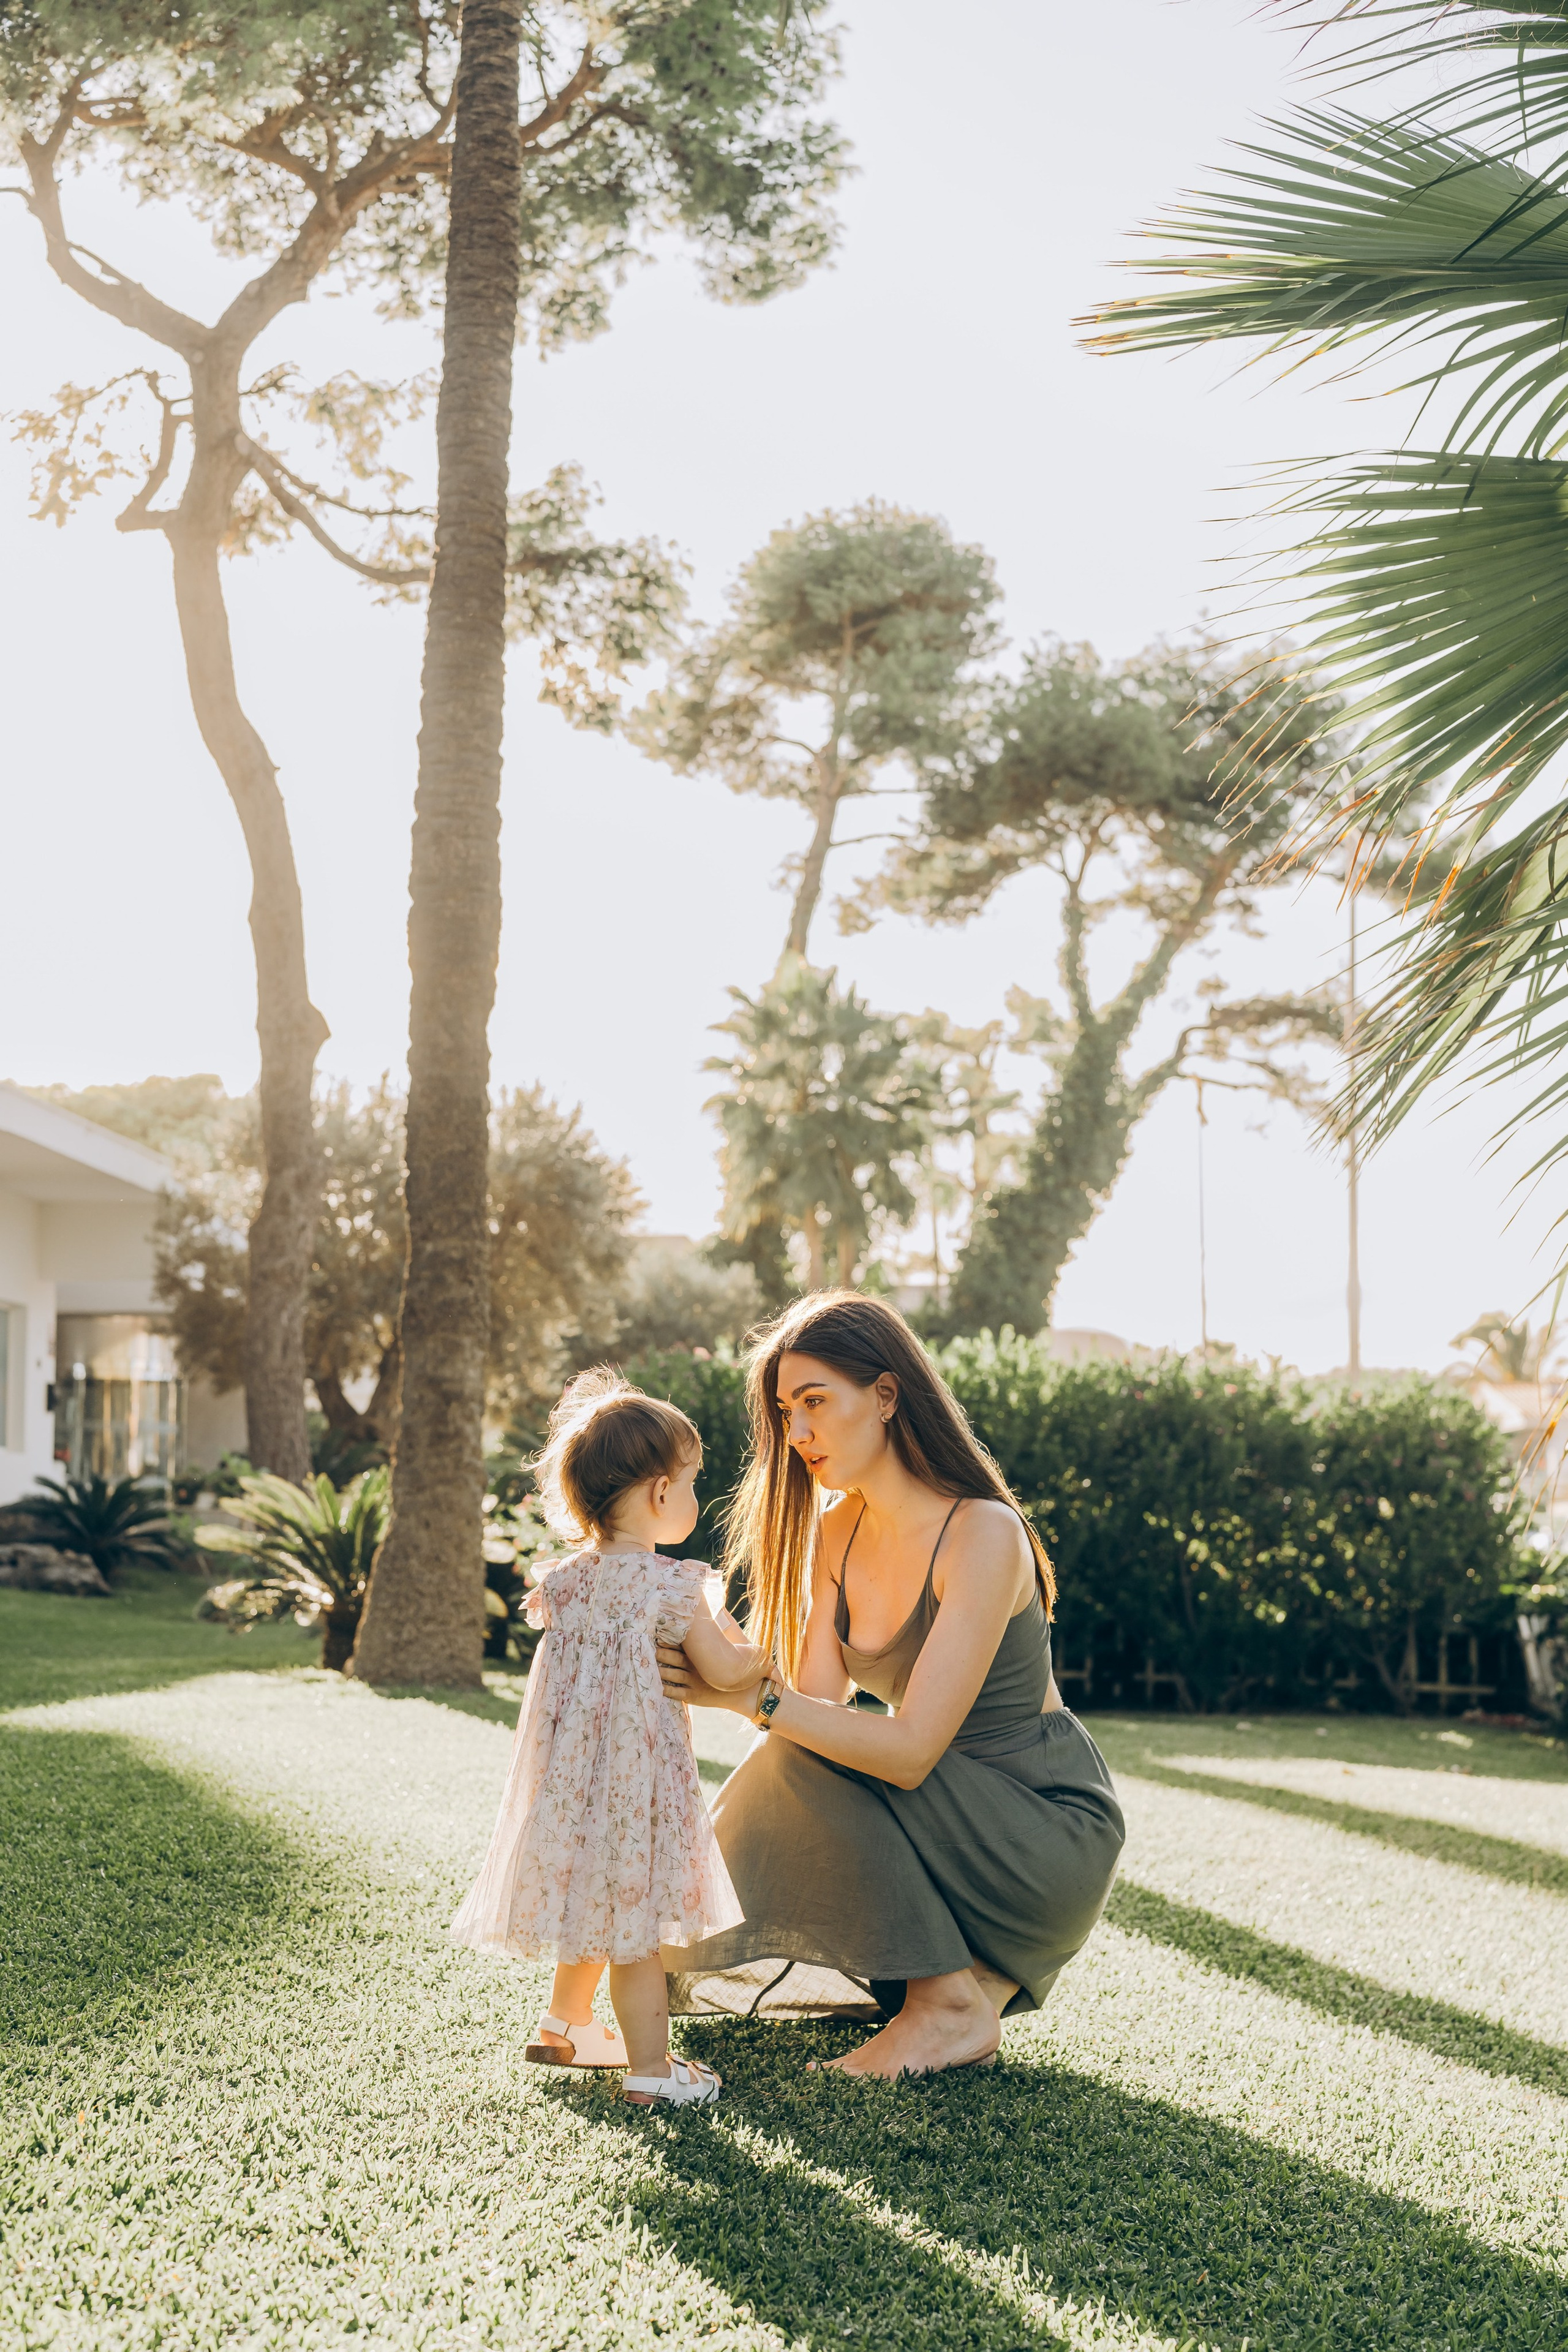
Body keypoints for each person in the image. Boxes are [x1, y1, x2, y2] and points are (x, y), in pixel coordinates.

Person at [658, 1291, 1126, 2079]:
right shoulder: (834, 1531)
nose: (797, 1432)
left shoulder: (982, 1532)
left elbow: (906, 1753)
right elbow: (812, 1708)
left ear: (884, 1396)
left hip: (1040, 1824)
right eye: (784, 1411)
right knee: (785, 1768)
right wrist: (732, 1667)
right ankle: (950, 1987)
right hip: (941, 1821)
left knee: (797, 1755)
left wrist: (753, 1701)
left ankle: (947, 2004)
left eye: (815, 1402)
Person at [451, 1370, 765, 2108]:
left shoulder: (563, 1584)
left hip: (570, 1784)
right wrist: (768, 1647)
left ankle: (563, 2025)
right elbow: (725, 1666)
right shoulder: (671, 1585)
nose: (694, 1497)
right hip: (637, 1785)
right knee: (635, 1926)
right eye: (691, 1482)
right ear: (659, 1494)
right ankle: (652, 2070)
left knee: (592, 1901)